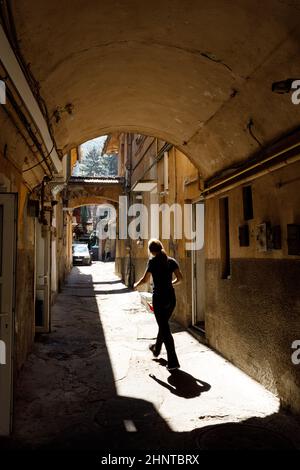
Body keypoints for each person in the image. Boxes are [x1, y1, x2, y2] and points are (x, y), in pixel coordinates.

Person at [133, 239, 183, 371]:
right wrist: (171, 284)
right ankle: (156, 348)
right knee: (164, 325)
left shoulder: (152, 262)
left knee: (165, 328)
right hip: (171, 298)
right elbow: (180, 279)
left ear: (151, 250)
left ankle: (173, 361)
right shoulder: (171, 261)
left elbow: (145, 279)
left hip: (159, 299)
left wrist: (136, 284)